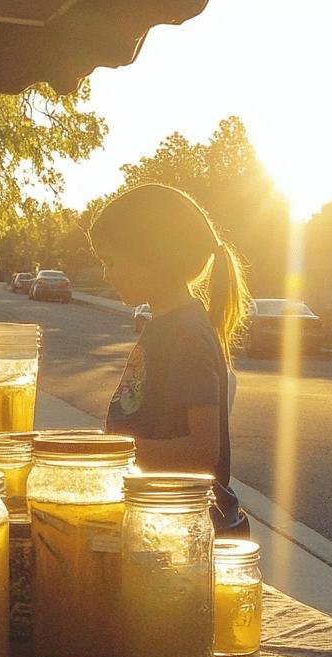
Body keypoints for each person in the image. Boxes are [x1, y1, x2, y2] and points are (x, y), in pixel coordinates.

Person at [88, 183, 251, 535]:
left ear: (151, 257)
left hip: (188, 528)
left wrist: (112, 453)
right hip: (161, 513)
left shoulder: (187, 334)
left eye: (110, 261)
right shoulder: (164, 326)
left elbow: (202, 453)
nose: (105, 274)